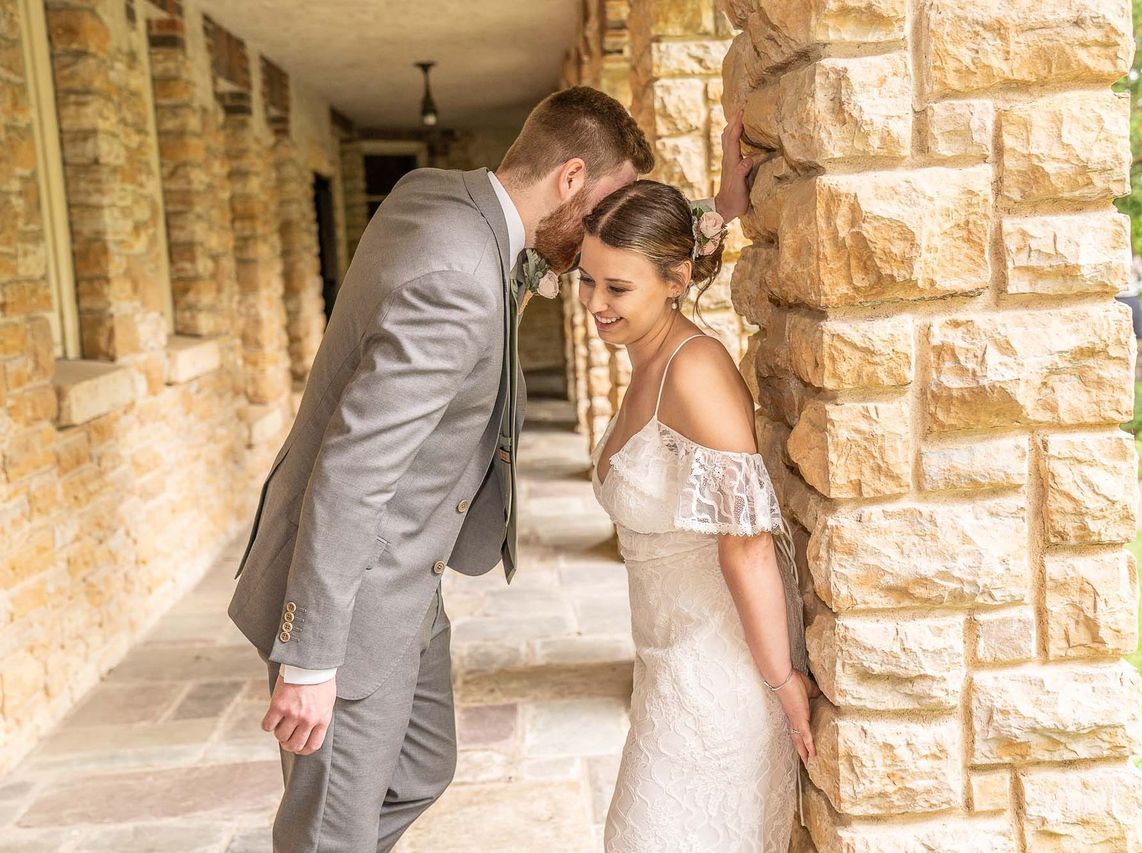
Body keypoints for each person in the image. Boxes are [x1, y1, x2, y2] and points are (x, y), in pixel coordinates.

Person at [225, 86, 755, 852]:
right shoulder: (458, 277)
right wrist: (310, 657)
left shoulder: (440, 200)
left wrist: (716, 213)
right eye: (608, 203)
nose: (608, 225)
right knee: (330, 827)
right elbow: (353, 470)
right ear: (570, 178)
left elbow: (569, 273)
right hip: (354, 591)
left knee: (421, 766)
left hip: (410, 571)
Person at [580, 180, 817, 852]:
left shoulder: (695, 371)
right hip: (665, 664)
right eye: (588, 280)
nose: (596, 304)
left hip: (719, 677)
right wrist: (720, 207)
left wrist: (783, 682)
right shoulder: (645, 355)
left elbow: (745, 545)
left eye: (617, 288)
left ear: (676, 280)